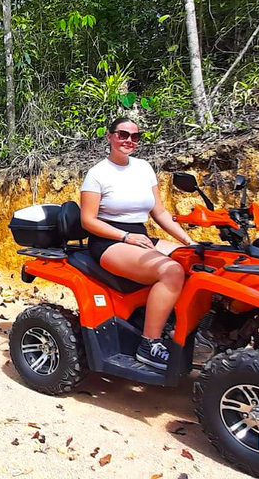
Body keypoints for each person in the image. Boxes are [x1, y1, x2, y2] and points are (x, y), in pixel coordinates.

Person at [80, 117, 196, 371]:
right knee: (171, 271)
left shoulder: (144, 168)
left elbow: (161, 212)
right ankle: (149, 344)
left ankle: (179, 328)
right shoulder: (97, 174)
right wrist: (125, 237)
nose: (128, 141)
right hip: (109, 241)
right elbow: (88, 220)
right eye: (122, 134)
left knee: (198, 261)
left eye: (134, 136)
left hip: (140, 237)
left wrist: (189, 241)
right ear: (110, 137)